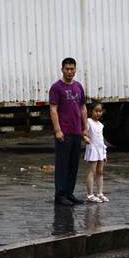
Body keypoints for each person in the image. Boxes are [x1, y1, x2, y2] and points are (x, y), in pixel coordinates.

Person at [49, 57, 89, 206]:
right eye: (67, 69)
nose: (70, 71)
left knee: (73, 165)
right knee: (62, 165)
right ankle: (60, 195)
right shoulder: (56, 87)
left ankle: (69, 194)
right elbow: (53, 110)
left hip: (77, 131)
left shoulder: (78, 86)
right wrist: (57, 130)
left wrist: (85, 127)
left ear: (75, 69)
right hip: (64, 132)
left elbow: (82, 107)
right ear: (62, 69)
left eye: (72, 69)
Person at [84, 103, 109, 203]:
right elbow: (84, 132)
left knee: (100, 172)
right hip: (93, 149)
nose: (98, 113)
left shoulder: (100, 125)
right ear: (91, 111)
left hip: (100, 150)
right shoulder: (88, 122)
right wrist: (85, 138)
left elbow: (101, 140)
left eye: (100, 111)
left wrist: (104, 153)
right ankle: (90, 195)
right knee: (92, 171)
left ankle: (100, 193)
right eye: (96, 111)